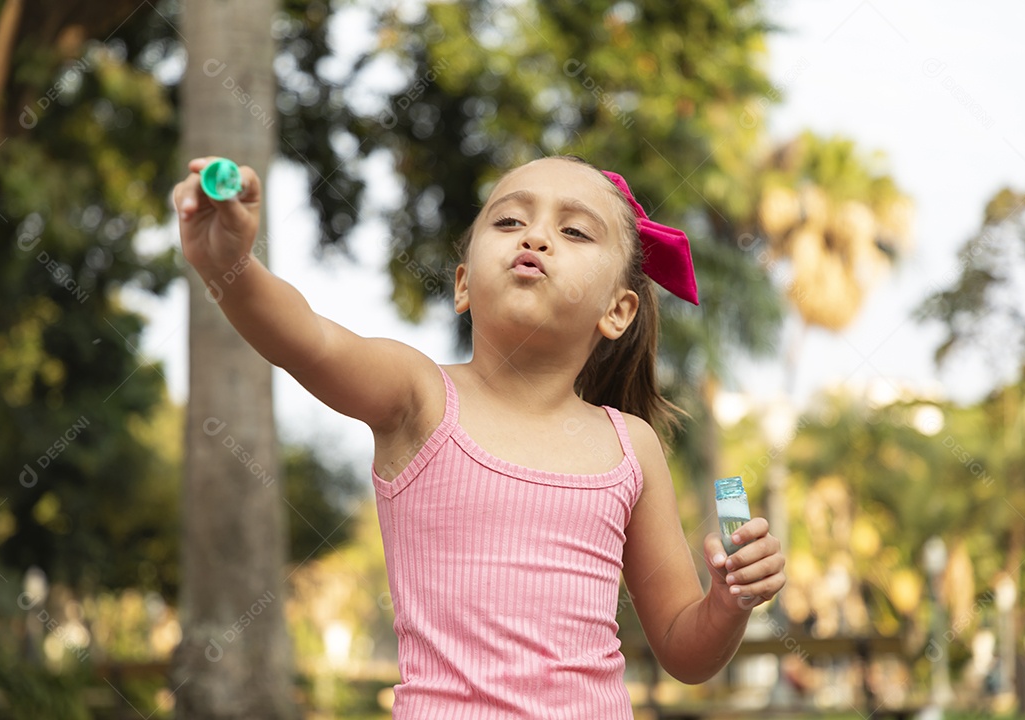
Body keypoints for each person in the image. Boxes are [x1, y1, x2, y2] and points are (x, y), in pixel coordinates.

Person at [173, 154, 786, 718]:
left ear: (618, 311)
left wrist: (727, 605)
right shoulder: (418, 396)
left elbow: (684, 648)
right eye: (510, 219)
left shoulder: (631, 446)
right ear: (464, 284)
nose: (536, 236)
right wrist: (230, 266)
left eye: (574, 231)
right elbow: (306, 338)